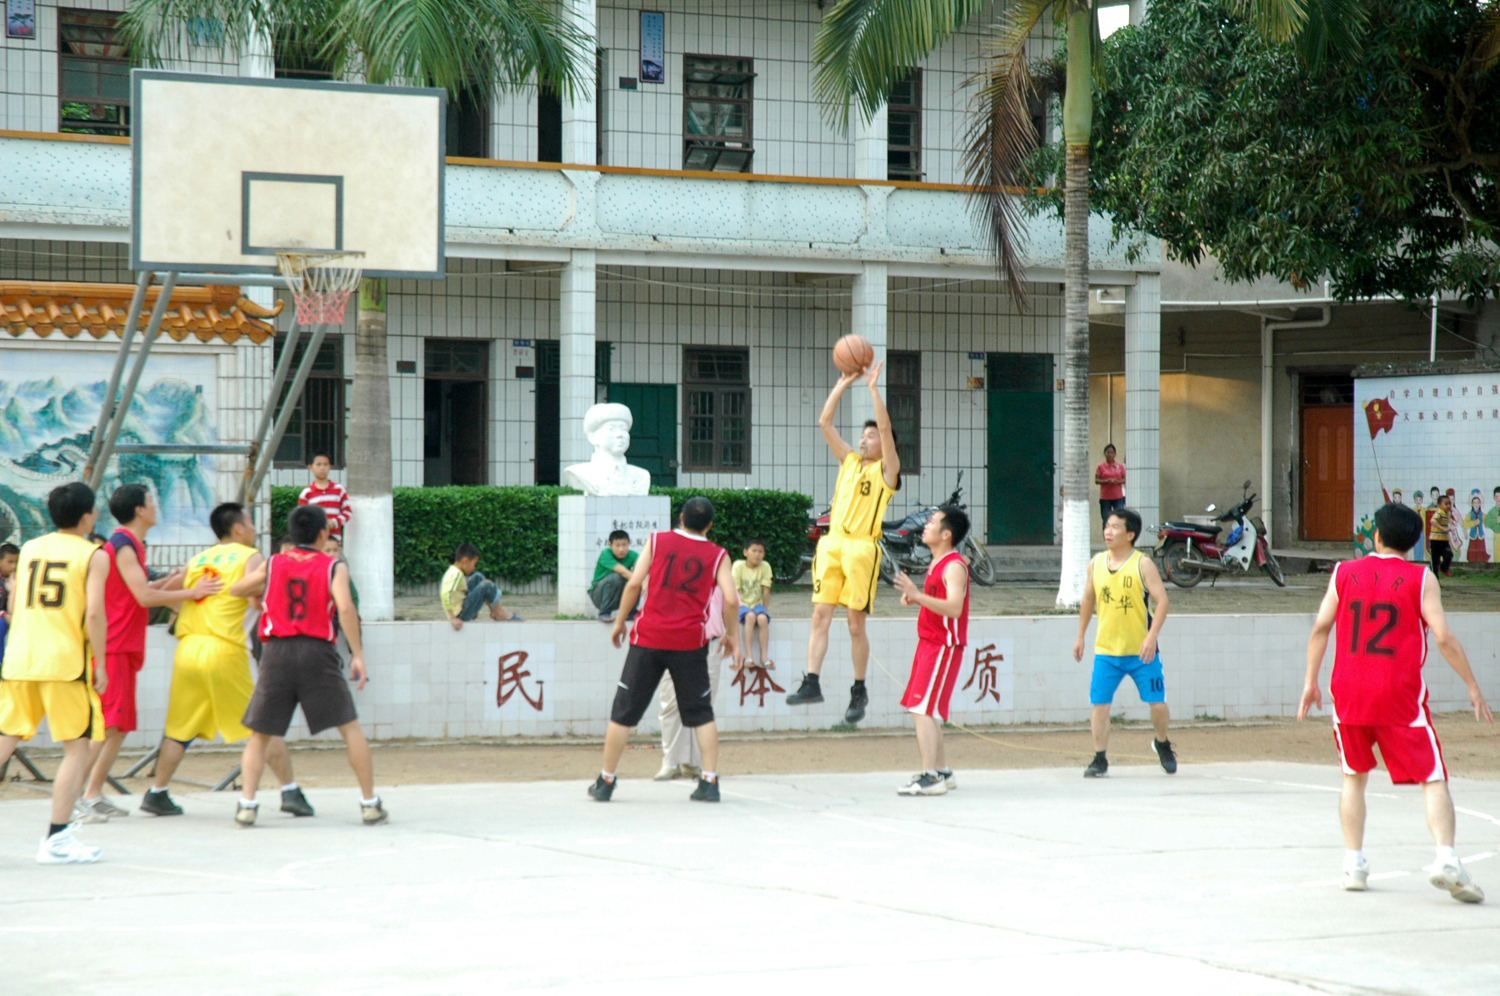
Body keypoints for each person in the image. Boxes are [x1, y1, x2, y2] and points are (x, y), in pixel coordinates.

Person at [1298, 502, 1493, 900]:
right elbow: (1443, 637)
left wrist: (1310, 682)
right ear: (1415, 542)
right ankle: (1446, 858)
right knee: (1432, 777)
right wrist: (1472, 684)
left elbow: (1320, 627)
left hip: (1348, 692)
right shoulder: (1422, 578)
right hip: (1398, 694)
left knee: (1353, 777)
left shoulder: (1343, 572)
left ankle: (1353, 864)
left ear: (1376, 535)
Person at [141, 503, 305, 818]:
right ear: (238, 528)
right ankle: (290, 791)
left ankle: (157, 792)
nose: (254, 528)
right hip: (226, 650)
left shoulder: (199, 559)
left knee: (179, 728)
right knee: (264, 724)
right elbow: (257, 596)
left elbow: (167, 590)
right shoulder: (250, 557)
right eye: (250, 521)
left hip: (189, 649)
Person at [232, 504, 387, 827]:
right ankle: (369, 803)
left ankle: (247, 805)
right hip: (318, 651)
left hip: (277, 652)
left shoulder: (274, 563)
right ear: (323, 533)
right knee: (350, 728)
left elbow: (238, 589)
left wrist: (262, 593)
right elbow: (345, 608)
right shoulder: (333, 567)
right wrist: (357, 653)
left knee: (260, 735)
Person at [77, 485, 222, 822]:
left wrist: (174, 580)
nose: (156, 506)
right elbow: (144, 597)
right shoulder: (124, 545)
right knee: (107, 726)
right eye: (151, 501)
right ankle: (74, 796)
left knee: (119, 726)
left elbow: (140, 591)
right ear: (139, 510)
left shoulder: (131, 545)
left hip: (124, 645)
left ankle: (92, 794)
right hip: (114, 646)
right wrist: (193, 592)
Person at [588, 496, 741, 803]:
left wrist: (620, 621)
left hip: (648, 637)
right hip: (689, 642)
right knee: (701, 713)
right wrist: (732, 636)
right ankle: (709, 782)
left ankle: (606, 781)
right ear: (710, 525)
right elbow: (731, 599)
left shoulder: (657, 540)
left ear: (681, 517)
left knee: (623, 713)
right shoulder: (718, 555)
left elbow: (634, 584)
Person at [0, 483, 109, 863]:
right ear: (87, 516)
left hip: (20, 657)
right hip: (64, 662)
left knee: (5, 739)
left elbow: (15, 602)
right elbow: (94, 612)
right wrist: (102, 662)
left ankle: (59, 840)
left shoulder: (30, 548)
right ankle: (57, 839)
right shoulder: (93, 555)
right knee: (77, 749)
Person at [786, 363, 900, 723]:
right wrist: (843, 383)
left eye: (871, 436)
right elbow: (825, 422)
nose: (865, 440)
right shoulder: (849, 461)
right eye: (863, 436)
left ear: (884, 443)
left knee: (854, 624)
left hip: (861, 549)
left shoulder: (887, 470)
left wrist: (873, 388)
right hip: (832, 544)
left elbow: (885, 428)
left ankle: (859, 689)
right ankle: (812, 682)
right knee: (820, 615)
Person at [1072, 507, 1176, 778]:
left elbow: (1163, 602)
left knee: (1158, 704)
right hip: (1107, 651)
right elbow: (1088, 599)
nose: (1108, 531)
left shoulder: (1142, 564)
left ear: (1130, 534)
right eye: (1107, 526)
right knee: (1100, 705)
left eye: (1115, 527)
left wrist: (1151, 637)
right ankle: (1099, 759)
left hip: (1142, 652)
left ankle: (1162, 743)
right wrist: (1080, 635)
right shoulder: (1096, 563)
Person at [891, 506, 971, 796]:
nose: (925, 526)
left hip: (942, 646)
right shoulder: (937, 562)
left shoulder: (954, 566)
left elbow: (954, 608)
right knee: (927, 709)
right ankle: (942, 772)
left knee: (921, 708)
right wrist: (918, 599)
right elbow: (939, 601)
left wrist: (917, 595)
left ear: (946, 534)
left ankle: (930, 777)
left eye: (932, 522)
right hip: (930, 643)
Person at [656, 579, 727, 782]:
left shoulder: (718, 572)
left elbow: (729, 606)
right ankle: (671, 762)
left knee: (703, 705)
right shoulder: (670, 573)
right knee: (671, 702)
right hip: (675, 641)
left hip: (709, 643)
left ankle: (693, 763)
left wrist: (733, 638)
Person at [439, 543, 520, 627]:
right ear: (466, 561)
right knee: (486, 585)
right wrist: (452, 618)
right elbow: (445, 594)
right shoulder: (456, 575)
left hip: (463, 607)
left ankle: (494, 610)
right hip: (461, 614)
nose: (474, 567)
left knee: (477, 577)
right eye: (474, 564)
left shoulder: (454, 571)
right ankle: (499, 613)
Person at [733, 538, 774, 669]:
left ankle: (764, 657)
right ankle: (749, 656)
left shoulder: (765, 566)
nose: (757, 554)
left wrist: (765, 610)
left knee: (762, 619)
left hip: (757, 604)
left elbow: (766, 591)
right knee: (750, 617)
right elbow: (735, 591)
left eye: (760, 552)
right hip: (742, 604)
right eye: (754, 551)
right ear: (745, 552)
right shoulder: (738, 566)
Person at [297, 453, 351, 542]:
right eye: (318, 465)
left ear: (330, 467)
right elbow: (301, 516)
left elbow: (347, 511)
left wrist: (335, 522)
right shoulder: (307, 493)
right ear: (310, 467)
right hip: (314, 540)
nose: (322, 468)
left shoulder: (339, 489)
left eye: (325, 464)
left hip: (334, 540)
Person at [589, 529, 638, 622]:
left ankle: (631, 612)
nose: (621, 549)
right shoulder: (606, 553)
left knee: (637, 579)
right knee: (617, 577)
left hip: (619, 597)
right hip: (599, 595)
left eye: (624, 545)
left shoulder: (633, 555)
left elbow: (642, 572)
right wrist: (640, 581)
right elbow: (623, 572)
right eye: (617, 545)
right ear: (610, 545)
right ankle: (605, 612)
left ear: (629, 544)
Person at [1095, 443, 1127, 528]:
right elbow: (1096, 480)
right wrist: (1106, 481)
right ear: (1104, 454)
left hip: (1118, 497)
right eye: (1108, 452)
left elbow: (1125, 479)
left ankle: (1118, 534)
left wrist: (1118, 482)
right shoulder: (1101, 466)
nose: (1110, 455)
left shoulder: (1120, 466)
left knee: (1119, 517)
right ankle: (1107, 534)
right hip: (1105, 497)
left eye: (1112, 453)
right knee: (1106, 519)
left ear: (1115, 454)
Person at [1428, 492, 1455, 577]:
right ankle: (1434, 578)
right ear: (1439, 505)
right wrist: (1443, 529)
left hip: (1444, 540)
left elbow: (1447, 522)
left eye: (1449, 504)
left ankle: (1444, 568)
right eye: (1446, 504)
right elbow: (1433, 521)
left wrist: (1451, 526)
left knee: (1449, 554)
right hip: (1435, 540)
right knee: (1435, 561)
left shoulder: (1447, 514)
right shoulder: (1439, 512)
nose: (1448, 506)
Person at [0, 540, 18, 660]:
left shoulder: (22, 578)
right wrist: (4, 615)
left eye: (17, 562)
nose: (14, 566)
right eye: (10, 562)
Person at [1462, 489, 1487, 563]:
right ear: (1472, 504)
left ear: (1480, 504)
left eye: (1478, 502)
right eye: (1474, 503)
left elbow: (1487, 522)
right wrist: (1474, 523)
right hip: (1473, 536)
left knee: (1481, 554)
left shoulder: (1482, 514)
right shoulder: (1470, 514)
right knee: (1472, 555)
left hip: (1480, 536)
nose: (1476, 504)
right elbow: (1465, 524)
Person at [1410, 489, 1426, 563]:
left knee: (1422, 548)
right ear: (1414, 501)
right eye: (1416, 499)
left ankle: (1421, 562)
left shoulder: (1425, 510)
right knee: (1416, 548)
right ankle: (1416, 562)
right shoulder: (1412, 511)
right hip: (1416, 532)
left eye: (1420, 499)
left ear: (1422, 500)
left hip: (1423, 532)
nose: (1418, 501)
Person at [1486, 487, 1500, 564]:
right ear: (1494, 498)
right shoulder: (1492, 511)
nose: (1499, 499)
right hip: (1497, 535)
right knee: (1498, 555)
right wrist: (1495, 521)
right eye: (1497, 497)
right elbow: (1487, 523)